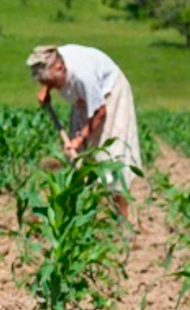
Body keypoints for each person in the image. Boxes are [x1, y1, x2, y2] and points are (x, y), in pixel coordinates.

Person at [26, 44, 143, 221]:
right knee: (77, 159)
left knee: (110, 158)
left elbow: (100, 112)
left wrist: (80, 138)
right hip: (84, 100)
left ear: (60, 68)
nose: (50, 86)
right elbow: (48, 74)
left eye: (50, 83)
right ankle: (83, 217)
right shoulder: (54, 60)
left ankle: (123, 222)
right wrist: (46, 89)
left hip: (110, 96)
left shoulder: (83, 76)